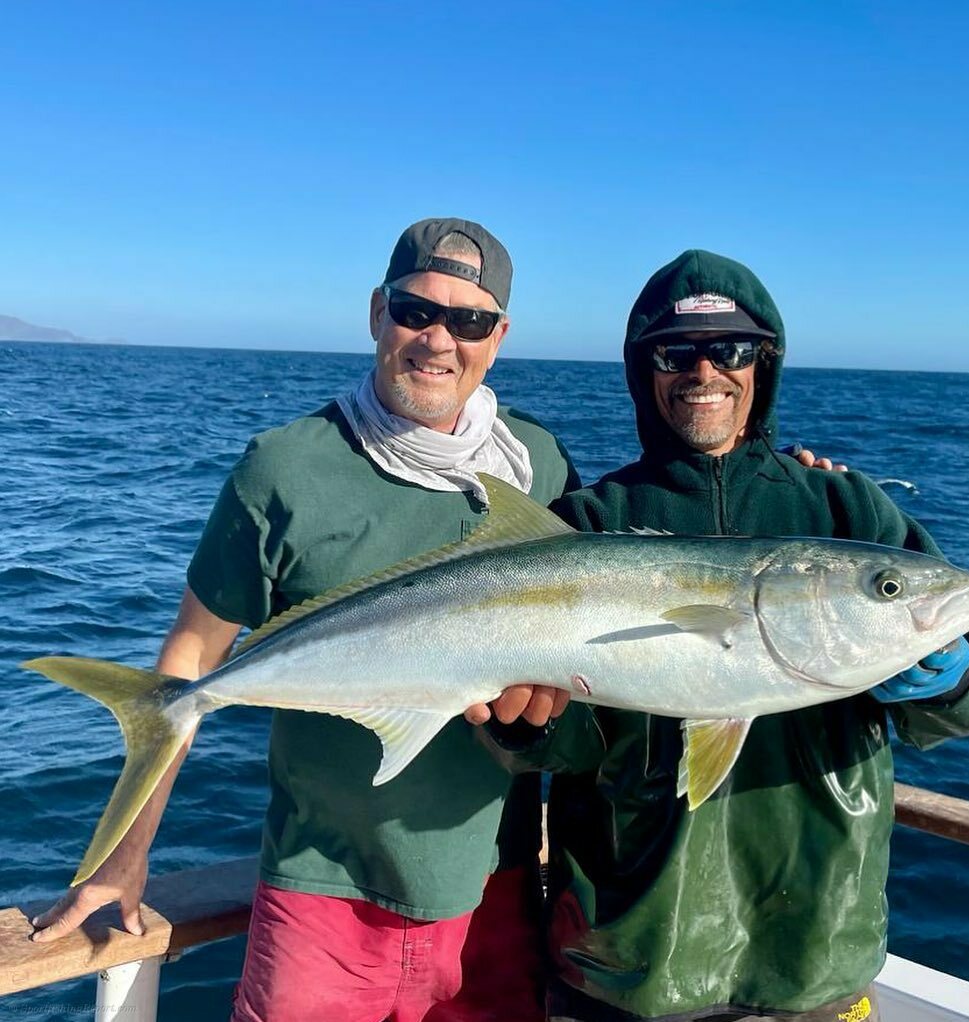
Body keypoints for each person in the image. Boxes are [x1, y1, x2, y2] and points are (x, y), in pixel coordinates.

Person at [31, 218, 578, 1022]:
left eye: (466, 321)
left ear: (497, 338)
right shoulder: (285, 466)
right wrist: (123, 855)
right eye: (414, 311)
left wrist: (807, 477)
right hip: (320, 889)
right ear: (374, 313)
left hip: (490, 891)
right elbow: (188, 656)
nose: (437, 340)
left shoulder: (540, 464)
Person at [527, 250, 969, 1022]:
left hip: (814, 950)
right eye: (675, 352)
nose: (704, 369)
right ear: (644, 369)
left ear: (766, 363)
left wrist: (954, 675)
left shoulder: (846, 510)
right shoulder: (590, 522)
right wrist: (530, 729)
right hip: (630, 957)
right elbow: (562, 749)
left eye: (734, 349)